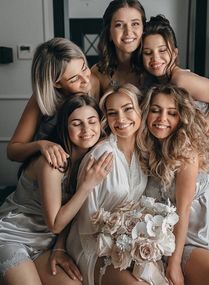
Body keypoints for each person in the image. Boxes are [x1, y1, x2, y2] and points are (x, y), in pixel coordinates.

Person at [0, 94, 113, 285]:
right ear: (64, 127)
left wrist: (60, 247)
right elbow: (55, 224)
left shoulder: (91, 156)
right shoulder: (52, 163)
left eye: (92, 121)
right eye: (77, 123)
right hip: (13, 236)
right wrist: (87, 185)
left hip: (46, 244)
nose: (86, 129)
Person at [141, 14, 209, 233]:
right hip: (199, 163)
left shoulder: (180, 79)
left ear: (175, 52)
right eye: (148, 53)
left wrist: (200, 127)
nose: (156, 58)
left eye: (162, 50)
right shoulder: (157, 85)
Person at [138, 84, 209, 285]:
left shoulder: (186, 149)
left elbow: (183, 209)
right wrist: (174, 262)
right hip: (188, 245)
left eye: (172, 113)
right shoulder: (145, 149)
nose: (162, 118)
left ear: (181, 118)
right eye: (155, 110)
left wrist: (173, 263)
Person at [66, 83, 148, 285]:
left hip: (128, 243)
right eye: (112, 113)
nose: (120, 119)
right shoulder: (100, 156)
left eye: (127, 109)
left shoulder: (144, 153)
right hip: (92, 246)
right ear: (106, 119)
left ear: (140, 110)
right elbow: (85, 224)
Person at [7, 37, 100, 169]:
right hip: (47, 170)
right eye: (74, 79)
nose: (86, 80)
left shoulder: (94, 83)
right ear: (56, 83)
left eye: (84, 68)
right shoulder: (41, 99)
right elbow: (12, 152)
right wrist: (41, 145)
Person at [91, 0, 146, 96]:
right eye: (119, 25)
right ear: (109, 33)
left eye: (135, 24)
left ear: (143, 29)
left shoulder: (154, 68)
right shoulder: (97, 73)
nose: (128, 32)